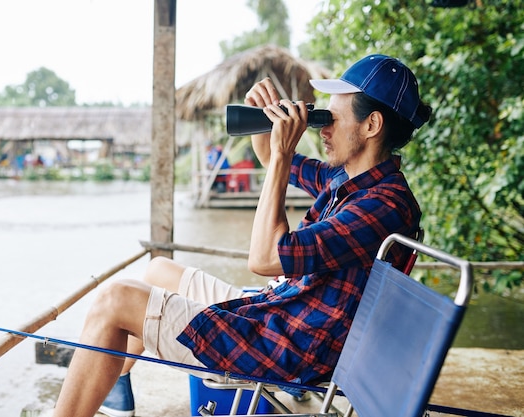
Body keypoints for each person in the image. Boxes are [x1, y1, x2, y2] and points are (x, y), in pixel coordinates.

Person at [51, 54, 432, 417]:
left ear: (371, 125)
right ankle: (113, 391)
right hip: (279, 312)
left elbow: (265, 258)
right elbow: (269, 157)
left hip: (285, 348)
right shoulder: (349, 178)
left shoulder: (383, 205)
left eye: (331, 117)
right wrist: (269, 124)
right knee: (158, 270)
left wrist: (284, 156)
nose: (324, 127)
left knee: (114, 300)